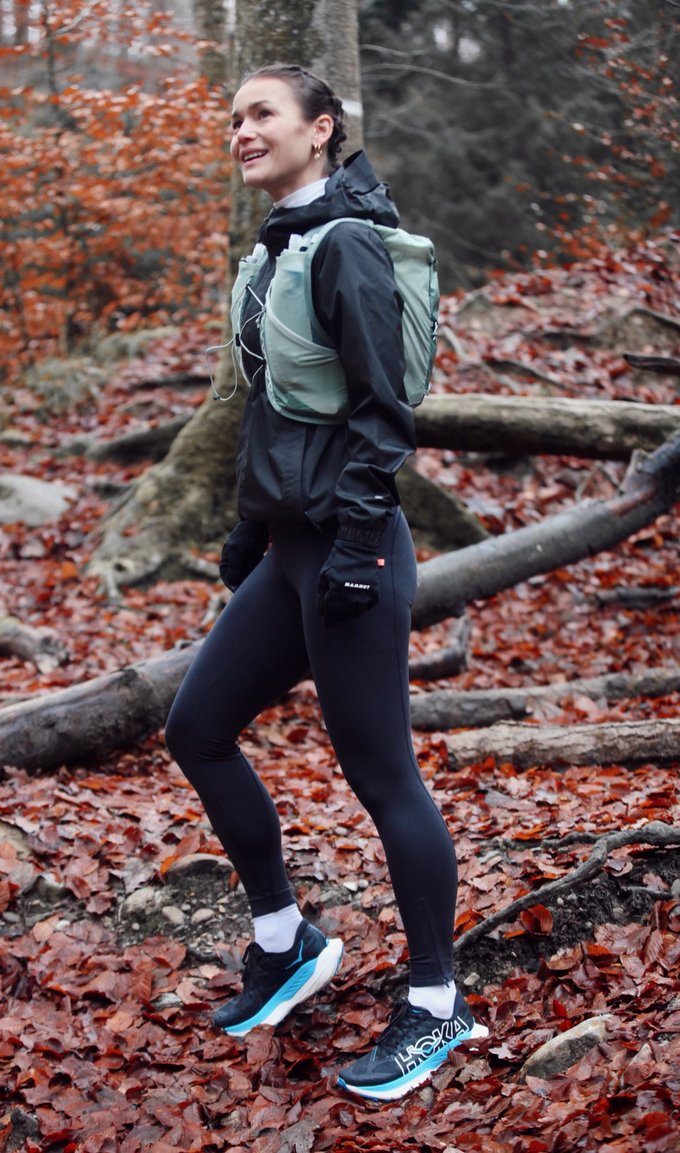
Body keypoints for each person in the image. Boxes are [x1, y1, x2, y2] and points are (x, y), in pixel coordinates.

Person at [164, 62, 487, 1102]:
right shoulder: (276, 249)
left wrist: (350, 545)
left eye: (261, 114)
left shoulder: (346, 243)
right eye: (233, 117)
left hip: (355, 549)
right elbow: (277, 410)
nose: (241, 131)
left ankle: (436, 1003)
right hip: (293, 546)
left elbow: (384, 414)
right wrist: (250, 529)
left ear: (321, 128)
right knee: (196, 727)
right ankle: (285, 939)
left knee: (379, 771)